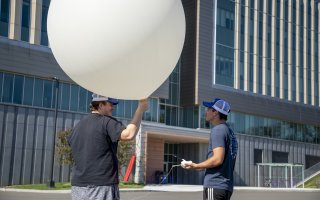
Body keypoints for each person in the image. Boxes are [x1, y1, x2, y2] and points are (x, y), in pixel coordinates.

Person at [67, 93, 148, 200]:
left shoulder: (77, 127)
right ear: (100, 105)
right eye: (110, 104)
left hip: (78, 187)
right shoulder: (106, 121)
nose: (112, 107)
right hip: (101, 186)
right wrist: (140, 109)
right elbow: (129, 134)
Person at [183, 98, 238, 200]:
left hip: (215, 185)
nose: (206, 111)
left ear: (215, 113)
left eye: (208, 109)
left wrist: (196, 166)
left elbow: (217, 159)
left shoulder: (218, 130)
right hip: (225, 187)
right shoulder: (230, 132)